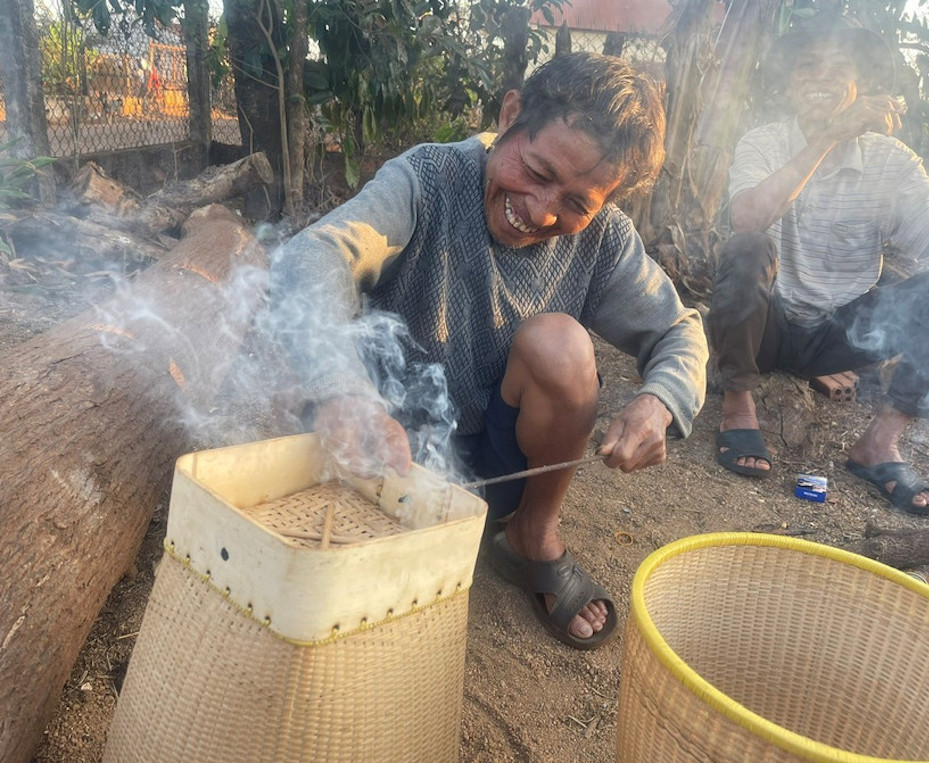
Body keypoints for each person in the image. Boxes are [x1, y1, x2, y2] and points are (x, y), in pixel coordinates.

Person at [271, 52, 708, 649]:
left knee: (561, 346)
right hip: (379, 456)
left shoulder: (604, 242)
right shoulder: (426, 180)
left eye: (578, 202)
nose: (541, 209)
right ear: (510, 115)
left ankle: (530, 533)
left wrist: (660, 401)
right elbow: (314, 256)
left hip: (496, 475)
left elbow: (679, 330)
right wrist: (343, 393)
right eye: (537, 170)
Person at [707, 14, 929, 515]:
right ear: (790, 84)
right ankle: (737, 406)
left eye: (837, 70)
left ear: (858, 87)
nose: (820, 79)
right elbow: (749, 218)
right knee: (747, 249)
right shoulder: (763, 143)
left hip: (842, 334)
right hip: (767, 325)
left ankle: (879, 442)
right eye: (807, 68)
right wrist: (827, 137)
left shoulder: (891, 161)